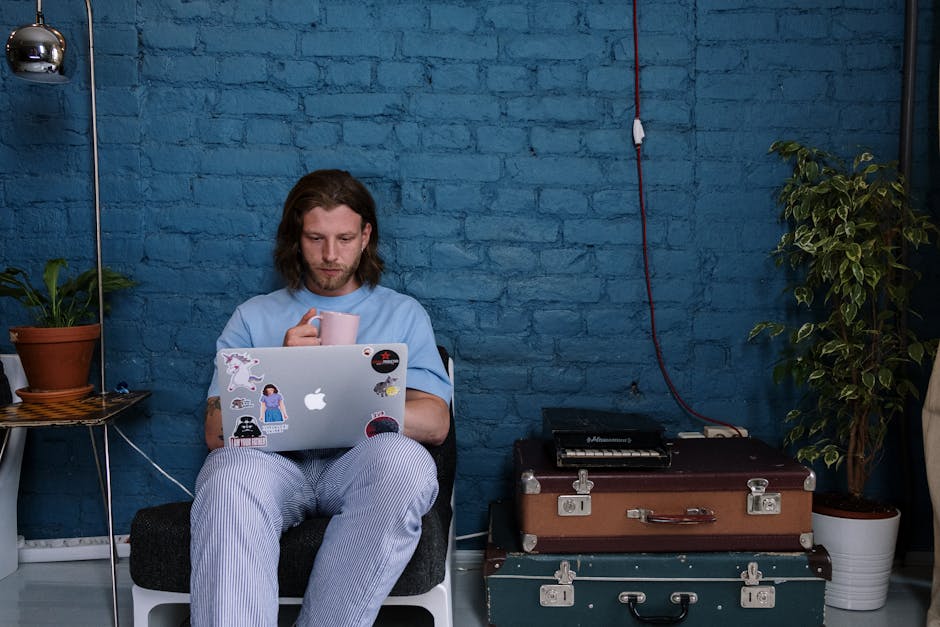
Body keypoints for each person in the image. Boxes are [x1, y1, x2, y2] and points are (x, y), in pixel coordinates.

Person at [190, 169, 453, 627]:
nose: (330, 255)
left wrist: (355, 397)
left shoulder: (403, 313)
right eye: (315, 239)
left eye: (345, 238)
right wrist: (280, 368)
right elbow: (216, 430)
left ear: (365, 236)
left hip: (356, 465)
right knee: (228, 476)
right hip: (274, 465)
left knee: (407, 465)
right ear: (297, 236)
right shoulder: (253, 317)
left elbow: (435, 422)